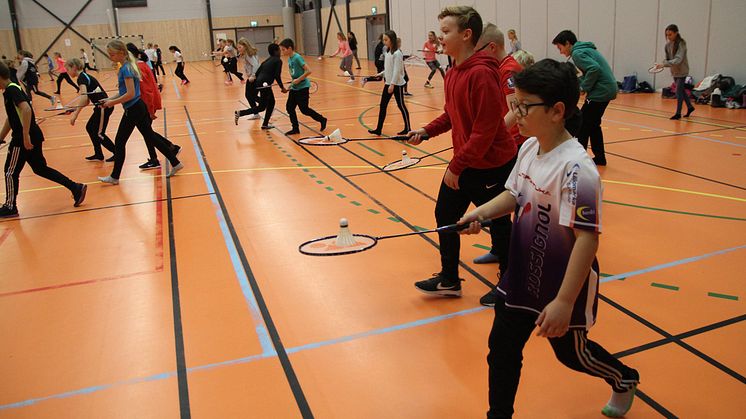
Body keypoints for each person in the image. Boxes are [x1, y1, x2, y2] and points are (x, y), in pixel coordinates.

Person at [457, 58, 640, 419]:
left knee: (573, 355)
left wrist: (563, 301)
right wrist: (481, 213)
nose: (517, 113)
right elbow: (514, 194)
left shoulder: (577, 170)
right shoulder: (528, 148)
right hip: (522, 273)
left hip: (562, 282)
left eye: (525, 106)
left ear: (557, 111)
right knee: (502, 348)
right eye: (515, 103)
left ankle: (623, 378)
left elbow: (587, 240)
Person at [407, 6, 516, 301]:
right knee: (445, 214)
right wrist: (427, 131)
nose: (440, 38)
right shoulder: (454, 71)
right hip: (470, 161)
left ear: (466, 35)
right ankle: (449, 280)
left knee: (499, 223)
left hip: (492, 164)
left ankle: (508, 286)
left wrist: (455, 166)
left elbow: (485, 131)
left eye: (446, 32)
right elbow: (451, 114)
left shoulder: (482, 74)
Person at [0, 60, 87, 218]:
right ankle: (76, 188)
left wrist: (25, 135)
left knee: (10, 172)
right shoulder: (12, 89)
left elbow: (26, 109)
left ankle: (10, 206)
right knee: (41, 168)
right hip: (33, 135)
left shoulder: (12, 89)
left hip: (22, 139)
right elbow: (11, 118)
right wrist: (1, 137)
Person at [98, 40, 183, 185]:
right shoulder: (128, 66)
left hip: (134, 109)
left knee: (119, 142)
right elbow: (123, 92)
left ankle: (115, 176)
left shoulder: (126, 68)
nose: (110, 57)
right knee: (151, 137)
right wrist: (108, 98)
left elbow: (130, 94)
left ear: (121, 52)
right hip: (138, 106)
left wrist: (111, 103)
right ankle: (176, 163)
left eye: (112, 54)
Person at [553, 30, 616, 166]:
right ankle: (600, 157)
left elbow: (594, 69)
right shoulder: (584, 49)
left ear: (568, 43)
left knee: (583, 125)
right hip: (607, 89)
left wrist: (584, 87)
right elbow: (591, 71)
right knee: (593, 125)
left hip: (601, 91)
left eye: (560, 48)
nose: (560, 52)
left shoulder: (577, 53)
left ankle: (579, 160)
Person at [126, 43, 180, 171]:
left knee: (147, 132)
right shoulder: (141, 65)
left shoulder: (139, 67)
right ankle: (171, 148)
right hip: (147, 102)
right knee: (147, 132)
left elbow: (146, 91)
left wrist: (150, 110)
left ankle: (157, 158)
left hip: (146, 103)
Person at [65, 58, 116, 161]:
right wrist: (75, 108)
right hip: (100, 107)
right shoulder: (84, 76)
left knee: (99, 133)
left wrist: (75, 114)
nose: (67, 72)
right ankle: (98, 154)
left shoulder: (81, 78)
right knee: (90, 127)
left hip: (103, 107)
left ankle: (117, 153)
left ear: (74, 67)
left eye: (67, 69)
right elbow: (87, 100)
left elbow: (84, 98)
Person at [279, 38, 327, 136]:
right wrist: (289, 86)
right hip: (295, 88)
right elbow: (294, 76)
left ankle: (322, 119)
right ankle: (295, 128)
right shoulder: (289, 59)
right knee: (289, 108)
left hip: (303, 88)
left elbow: (308, 71)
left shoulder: (297, 57)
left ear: (290, 48)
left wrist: (298, 80)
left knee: (304, 110)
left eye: (283, 49)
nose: (282, 51)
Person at [367, 30, 411, 136]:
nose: (384, 42)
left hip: (397, 84)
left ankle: (408, 128)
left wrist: (392, 84)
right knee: (383, 106)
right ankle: (378, 129)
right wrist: (381, 74)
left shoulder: (397, 53)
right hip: (388, 83)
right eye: (383, 40)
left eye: (386, 39)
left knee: (401, 106)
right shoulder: (387, 52)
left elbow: (397, 71)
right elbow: (389, 68)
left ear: (392, 40)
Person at [235, 43, 286, 129]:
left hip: (260, 83)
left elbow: (258, 71)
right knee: (263, 106)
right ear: (276, 51)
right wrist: (282, 87)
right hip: (264, 85)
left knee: (269, 103)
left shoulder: (267, 60)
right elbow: (277, 75)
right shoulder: (278, 61)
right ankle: (240, 113)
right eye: (279, 50)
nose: (280, 52)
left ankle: (264, 124)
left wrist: (255, 79)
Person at [654, 24, 694, 120]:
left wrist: (664, 64)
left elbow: (678, 59)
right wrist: (663, 63)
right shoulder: (667, 45)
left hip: (682, 71)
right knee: (681, 90)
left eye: (670, 34)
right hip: (674, 71)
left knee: (678, 91)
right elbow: (667, 59)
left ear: (676, 33)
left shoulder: (682, 44)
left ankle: (678, 113)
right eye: (667, 35)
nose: (668, 37)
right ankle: (690, 107)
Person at [234, 38, 261, 122]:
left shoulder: (249, 55)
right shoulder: (247, 54)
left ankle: (266, 104)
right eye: (238, 48)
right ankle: (257, 112)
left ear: (245, 46)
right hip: (252, 77)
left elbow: (256, 65)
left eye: (240, 47)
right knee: (251, 96)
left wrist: (253, 75)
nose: (238, 49)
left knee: (250, 95)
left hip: (254, 78)